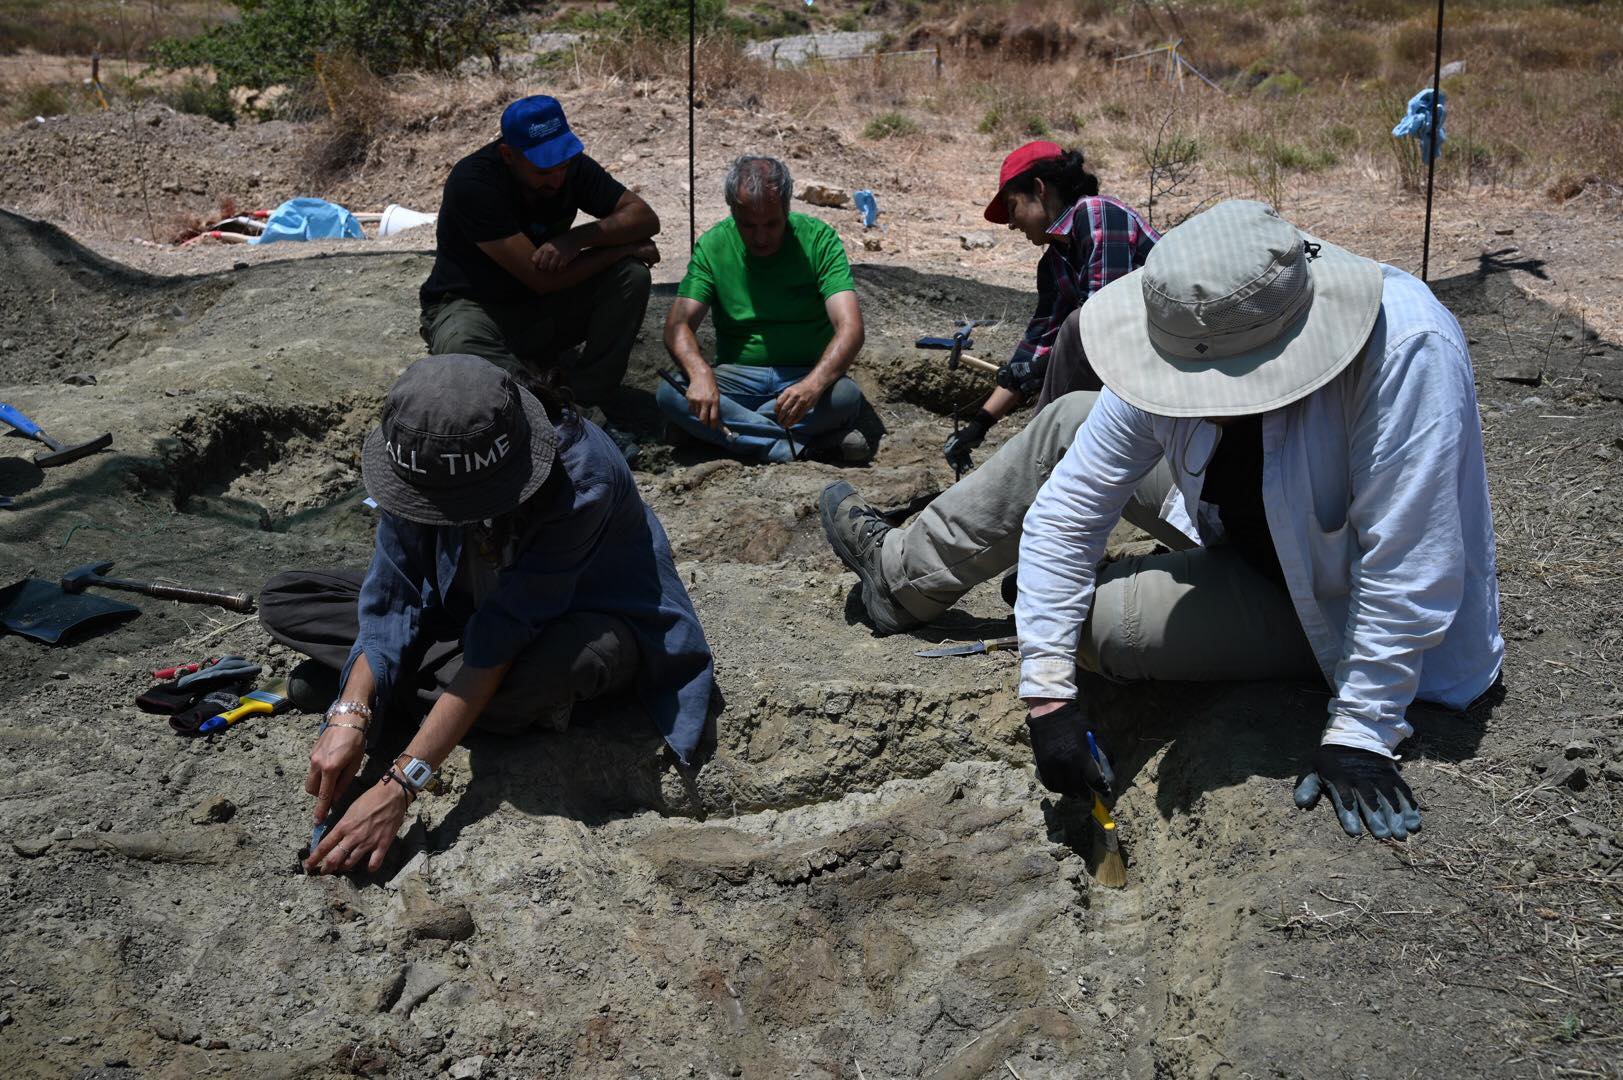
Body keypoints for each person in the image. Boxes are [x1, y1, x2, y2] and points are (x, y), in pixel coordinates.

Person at [1006, 200, 1502, 841]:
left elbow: (1409, 559)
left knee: (1102, 626)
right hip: (1244, 538)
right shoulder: (1189, 320)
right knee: (1067, 425)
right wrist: (1046, 694)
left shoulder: (1406, 348)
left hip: (1336, 605)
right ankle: (902, 573)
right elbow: (1072, 507)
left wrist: (1362, 728)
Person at [258, 354, 715, 875]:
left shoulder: (583, 477)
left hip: (575, 619)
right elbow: (393, 591)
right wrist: (352, 712)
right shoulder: (416, 451)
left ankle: (426, 697)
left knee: (563, 668)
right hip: (465, 607)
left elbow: (501, 636)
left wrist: (402, 783)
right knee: (288, 597)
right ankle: (435, 699)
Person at [418, 95, 659, 415]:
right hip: (474, 305)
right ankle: (546, 404)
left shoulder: (569, 166)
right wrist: (622, 247)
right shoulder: (474, 183)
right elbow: (542, 279)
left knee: (632, 276)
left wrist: (577, 238)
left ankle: (586, 396)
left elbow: (644, 217)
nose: (557, 178)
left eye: (562, 165)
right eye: (544, 170)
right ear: (508, 154)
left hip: (539, 309)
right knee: (462, 347)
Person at [942, 141, 1158, 474]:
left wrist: (1039, 371)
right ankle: (1038, 460)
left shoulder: (1096, 214)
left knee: (1076, 328)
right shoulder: (1054, 263)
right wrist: (980, 425)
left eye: (1013, 208)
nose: (1012, 224)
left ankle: (1035, 463)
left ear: (1039, 190)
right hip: (1131, 365)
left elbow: (1101, 326)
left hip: (1169, 357)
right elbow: (1036, 344)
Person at [657, 155, 872, 464]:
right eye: (747, 225)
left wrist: (813, 385)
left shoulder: (819, 241)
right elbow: (678, 326)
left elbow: (850, 328)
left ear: (786, 208)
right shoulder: (714, 245)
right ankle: (797, 447)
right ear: (732, 210)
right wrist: (700, 373)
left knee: (844, 397)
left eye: (771, 224)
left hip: (805, 375)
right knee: (671, 392)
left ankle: (722, 431)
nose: (760, 237)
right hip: (736, 376)